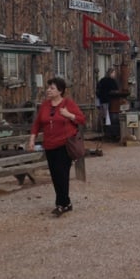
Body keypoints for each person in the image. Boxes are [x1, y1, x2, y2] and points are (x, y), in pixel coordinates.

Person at [28, 77, 86, 217]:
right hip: (49, 145)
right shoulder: (45, 106)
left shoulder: (68, 104)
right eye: (48, 88)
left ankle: (60, 204)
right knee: (55, 175)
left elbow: (82, 119)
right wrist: (32, 139)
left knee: (62, 174)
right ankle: (67, 203)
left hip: (64, 145)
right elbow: (37, 124)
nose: (48, 90)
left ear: (60, 90)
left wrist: (69, 115)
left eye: (52, 88)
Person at [96, 67, 119, 131]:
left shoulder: (102, 80)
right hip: (109, 100)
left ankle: (101, 129)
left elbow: (98, 89)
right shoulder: (111, 81)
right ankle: (108, 129)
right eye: (114, 73)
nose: (114, 74)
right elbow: (116, 90)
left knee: (103, 115)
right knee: (107, 115)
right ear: (110, 73)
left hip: (101, 99)